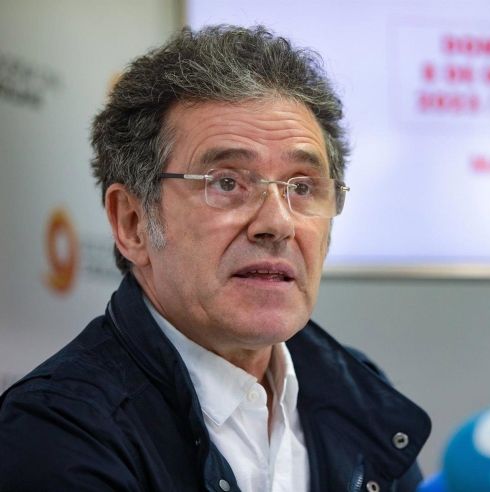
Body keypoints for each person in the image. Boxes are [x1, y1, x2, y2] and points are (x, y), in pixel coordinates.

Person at [0, 25, 431, 491]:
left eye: (302, 187)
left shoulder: (358, 396)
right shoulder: (56, 432)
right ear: (132, 222)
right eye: (227, 182)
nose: (278, 223)